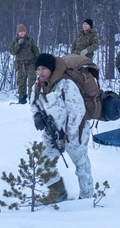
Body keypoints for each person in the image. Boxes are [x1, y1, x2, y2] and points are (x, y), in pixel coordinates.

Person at [31, 52, 94, 201]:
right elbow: (33, 104)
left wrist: (66, 134)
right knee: (44, 164)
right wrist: (36, 116)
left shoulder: (66, 85)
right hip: (51, 132)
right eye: (38, 69)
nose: (40, 72)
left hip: (74, 133)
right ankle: (58, 194)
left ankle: (87, 198)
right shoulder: (38, 86)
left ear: (52, 69)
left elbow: (77, 112)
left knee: (81, 166)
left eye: (44, 69)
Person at [8, 24, 40, 104]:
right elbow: (12, 51)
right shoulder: (15, 41)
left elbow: (36, 51)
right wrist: (18, 44)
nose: (22, 33)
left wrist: (38, 62)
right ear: (18, 33)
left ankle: (31, 97)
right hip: (20, 65)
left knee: (31, 81)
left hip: (30, 63)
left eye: (23, 31)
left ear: (26, 32)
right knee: (21, 82)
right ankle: (22, 98)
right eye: (20, 32)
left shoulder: (30, 40)